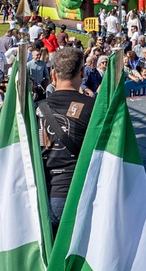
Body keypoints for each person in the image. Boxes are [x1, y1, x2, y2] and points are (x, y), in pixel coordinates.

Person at [37, 48, 94, 232]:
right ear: (82, 73)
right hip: (76, 192)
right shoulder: (92, 108)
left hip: (41, 194)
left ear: (53, 74)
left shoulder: (35, 109)